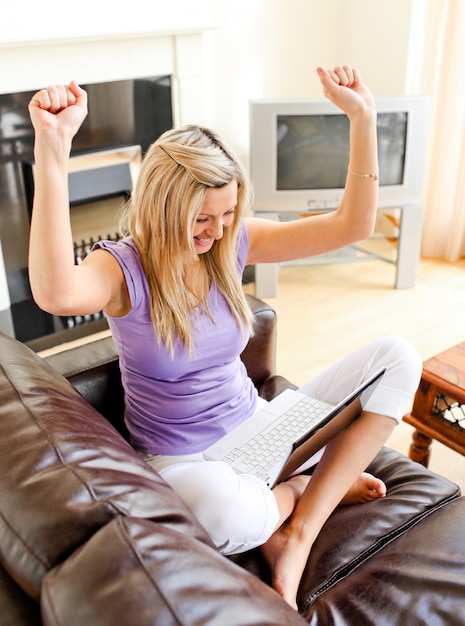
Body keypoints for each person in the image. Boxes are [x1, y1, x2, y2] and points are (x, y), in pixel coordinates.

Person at [28, 65, 422, 611]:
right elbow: (54, 293)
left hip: (260, 428)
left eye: (229, 213)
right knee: (224, 518)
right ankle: (299, 491)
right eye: (200, 220)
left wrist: (363, 118)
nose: (216, 233)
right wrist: (52, 150)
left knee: (398, 358)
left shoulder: (230, 244)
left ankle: (296, 529)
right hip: (183, 462)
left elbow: (351, 226)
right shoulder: (123, 269)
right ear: (162, 208)